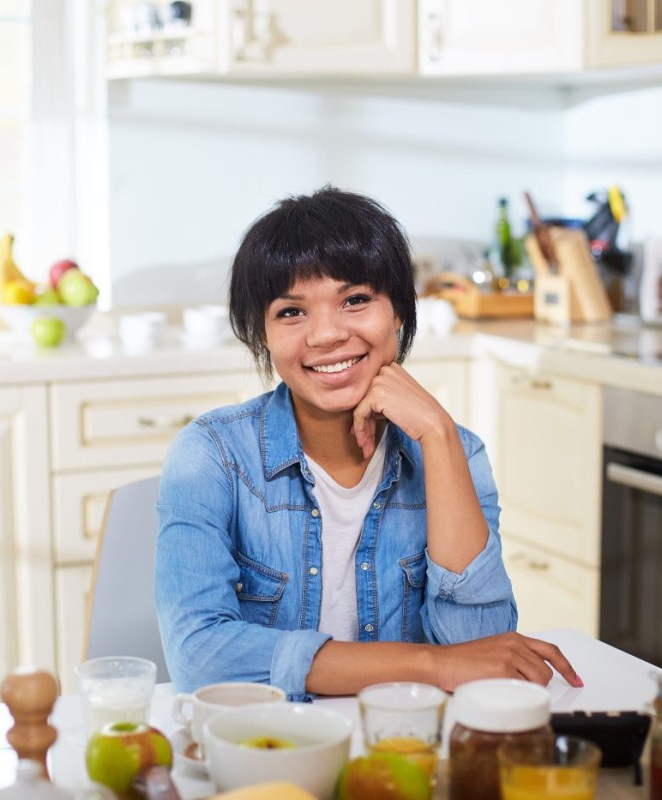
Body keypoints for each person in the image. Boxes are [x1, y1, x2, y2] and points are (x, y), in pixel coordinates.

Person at [154, 186, 580, 700]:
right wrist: (429, 663)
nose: (326, 335)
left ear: (399, 311)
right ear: (261, 333)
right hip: (270, 744)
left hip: (406, 743)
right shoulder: (211, 456)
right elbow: (199, 656)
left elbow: (481, 653)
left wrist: (439, 438)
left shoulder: (459, 453)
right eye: (292, 312)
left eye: (355, 300)